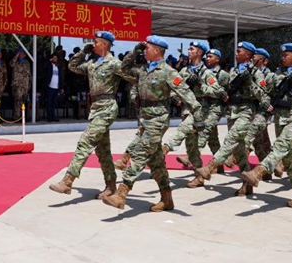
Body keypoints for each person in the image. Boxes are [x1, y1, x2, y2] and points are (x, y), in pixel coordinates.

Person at [103, 35, 202, 212]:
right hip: (144, 119)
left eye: (147, 47)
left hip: (158, 120)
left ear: (156, 50)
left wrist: (198, 115)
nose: (145, 50)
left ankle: (122, 192)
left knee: (140, 153)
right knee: (156, 163)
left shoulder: (168, 72)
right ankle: (167, 198)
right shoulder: (142, 69)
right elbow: (124, 68)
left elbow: (185, 93)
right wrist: (135, 51)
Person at [239, 43, 292, 208]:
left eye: (287, 54)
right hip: (280, 119)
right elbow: (264, 92)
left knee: (280, 146)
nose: (283, 57)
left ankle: (258, 172)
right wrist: (250, 82)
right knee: (290, 159)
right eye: (283, 54)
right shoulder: (277, 75)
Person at [50, 31, 126, 201]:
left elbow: (133, 77)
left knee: (86, 141)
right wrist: (83, 52)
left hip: (107, 107)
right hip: (96, 107)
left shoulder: (114, 63)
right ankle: (111, 186)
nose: (93, 44)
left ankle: (68, 181)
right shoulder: (92, 62)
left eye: (96, 42)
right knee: (103, 150)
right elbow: (72, 66)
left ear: (105, 44)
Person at [195, 41, 270, 197]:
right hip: (232, 112)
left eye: (239, 51)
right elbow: (227, 90)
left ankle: (210, 167)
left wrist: (249, 82)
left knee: (231, 138)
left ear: (248, 55)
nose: (236, 53)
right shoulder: (233, 71)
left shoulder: (256, 73)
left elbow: (263, 95)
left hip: (246, 111)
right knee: (240, 150)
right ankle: (247, 184)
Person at [162, 41, 225, 188]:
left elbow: (218, 91)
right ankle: (199, 176)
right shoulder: (184, 71)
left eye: (192, 49)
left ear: (199, 53)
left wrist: (200, 86)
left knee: (183, 129)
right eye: (189, 49)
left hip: (201, 109)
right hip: (187, 109)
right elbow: (174, 87)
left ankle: (165, 148)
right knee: (192, 146)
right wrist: (177, 96)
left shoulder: (206, 73)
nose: (189, 51)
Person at [10, 49, 31, 119]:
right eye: (20, 53)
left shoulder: (27, 62)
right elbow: (11, 64)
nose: (22, 54)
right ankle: (16, 117)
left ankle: (23, 117)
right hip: (17, 85)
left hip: (25, 85)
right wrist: (17, 56)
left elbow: (29, 75)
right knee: (17, 101)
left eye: (23, 53)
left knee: (23, 101)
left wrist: (29, 84)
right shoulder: (15, 62)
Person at [42, 53, 63, 122]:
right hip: (50, 86)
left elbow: (61, 78)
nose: (55, 59)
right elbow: (43, 67)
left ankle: (53, 116)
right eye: (53, 58)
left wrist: (61, 87)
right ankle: (49, 117)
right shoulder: (49, 65)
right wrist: (49, 61)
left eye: (56, 58)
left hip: (56, 87)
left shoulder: (58, 67)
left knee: (54, 103)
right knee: (49, 102)